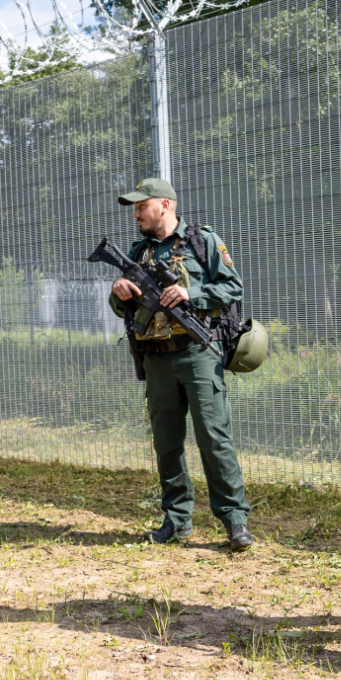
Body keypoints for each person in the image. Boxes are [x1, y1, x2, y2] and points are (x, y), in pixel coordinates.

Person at [108, 178, 255, 552]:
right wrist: (118, 293)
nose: (136, 212)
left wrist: (193, 292)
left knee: (213, 437)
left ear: (164, 205)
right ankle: (176, 520)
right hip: (155, 359)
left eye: (142, 206)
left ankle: (235, 520)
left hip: (197, 353)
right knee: (166, 443)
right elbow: (124, 309)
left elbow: (232, 287)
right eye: (135, 207)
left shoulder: (200, 241)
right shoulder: (138, 252)